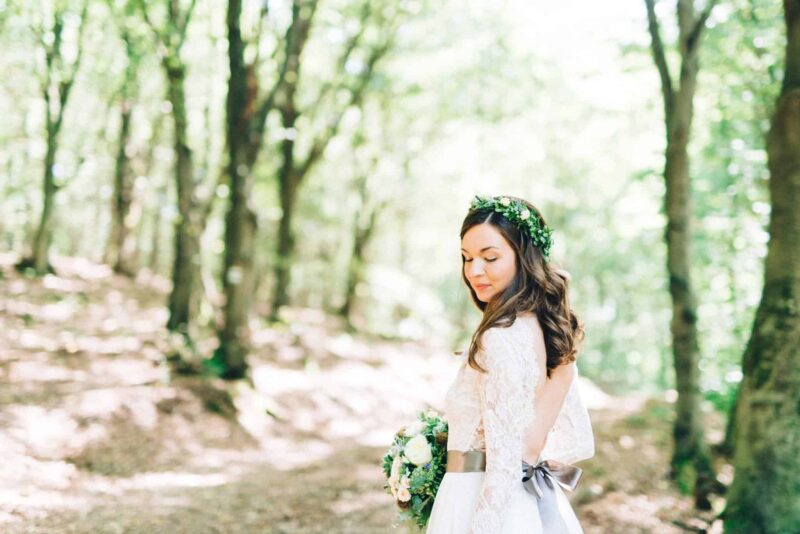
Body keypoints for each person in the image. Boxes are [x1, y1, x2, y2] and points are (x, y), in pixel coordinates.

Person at [425, 195, 594, 534]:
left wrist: (483, 525)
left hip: (483, 500)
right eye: (466, 258)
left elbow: (506, 462)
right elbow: (568, 439)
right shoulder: (537, 328)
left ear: (523, 257)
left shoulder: (500, 337)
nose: (474, 270)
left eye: (490, 257)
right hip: (524, 500)